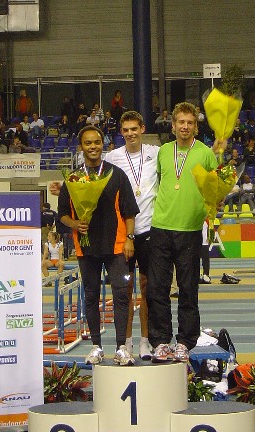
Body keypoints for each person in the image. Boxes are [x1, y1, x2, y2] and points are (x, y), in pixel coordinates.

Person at [58, 125, 139, 366]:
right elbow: (62, 214)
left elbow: (129, 212)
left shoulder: (116, 174)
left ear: (102, 145)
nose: (93, 147)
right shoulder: (72, 178)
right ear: (81, 146)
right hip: (86, 247)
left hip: (116, 245)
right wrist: (75, 223)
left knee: (121, 295)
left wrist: (129, 238)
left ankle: (121, 347)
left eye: (97, 142)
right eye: (88, 143)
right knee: (91, 296)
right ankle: (96, 346)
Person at [146, 101, 219, 363]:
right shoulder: (163, 152)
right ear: (173, 125)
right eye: (181, 122)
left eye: (190, 123)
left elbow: (215, 190)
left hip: (189, 228)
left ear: (195, 127)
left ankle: (185, 342)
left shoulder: (206, 153)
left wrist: (211, 210)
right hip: (162, 226)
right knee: (157, 288)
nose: (185, 127)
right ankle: (161, 340)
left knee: (188, 289)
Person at [106, 110, 159, 360]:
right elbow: (91, 181)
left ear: (142, 128)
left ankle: (145, 341)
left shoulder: (156, 153)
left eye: (134, 129)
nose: (130, 134)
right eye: (125, 130)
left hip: (149, 231)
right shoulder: (112, 157)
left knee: (148, 289)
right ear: (121, 132)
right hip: (123, 234)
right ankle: (125, 342)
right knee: (124, 290)